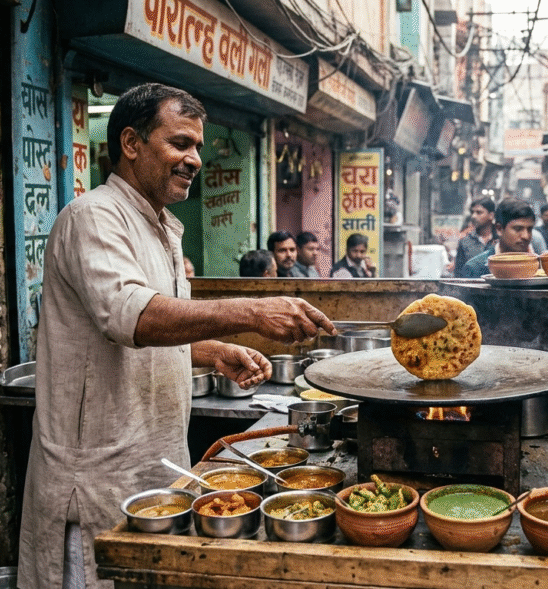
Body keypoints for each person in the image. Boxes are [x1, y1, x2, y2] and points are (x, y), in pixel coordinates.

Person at [18, 83, 336, 589]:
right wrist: (252, 310)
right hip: (100, 477)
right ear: (130, 143)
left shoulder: (162, 227)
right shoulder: (93, 217)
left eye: (198, 148)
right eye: (180, 143)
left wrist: (212, 352)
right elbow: (133, 318)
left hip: (157, 467)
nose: (195, 160)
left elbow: (148, 335)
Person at [461, 198, 538, 278]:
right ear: (499, 229)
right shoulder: (475, 269)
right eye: (518, 229)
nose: (526, 236)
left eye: (529, 229)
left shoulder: (539, 266)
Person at [453, 197, 497, 277]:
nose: (473, 216)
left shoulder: (500, 240)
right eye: (472, 212)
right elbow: (458, 274)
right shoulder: (465, 242)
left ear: (491, 215)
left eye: (479, 212)